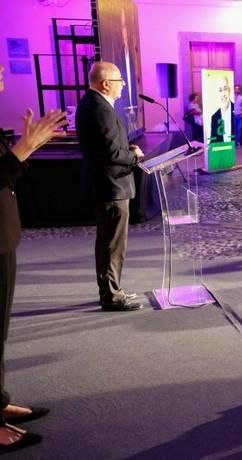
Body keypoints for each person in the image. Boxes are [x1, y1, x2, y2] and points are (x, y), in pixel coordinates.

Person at [0, 63, 67, 452]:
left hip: (2, 237)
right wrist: (23, 149)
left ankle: (1, 403)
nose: (3, 68)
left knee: (0, 333)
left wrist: (28, 148)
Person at [76, 61, 145, 312]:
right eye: (119, 81)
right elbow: (110, 152)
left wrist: (126, 151)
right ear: (106, 84)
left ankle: (110, 289)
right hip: (111, 185)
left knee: (108, 241)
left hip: (107, 184)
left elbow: (107, 146)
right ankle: (112, 295)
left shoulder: (93, 104)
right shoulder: (99, 108)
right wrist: (134, 156)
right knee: (112, 244)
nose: (123, 85)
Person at [210, 76, 232, 143]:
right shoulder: (214, 116)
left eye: (225, 89)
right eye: (220, 90)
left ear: (229, 90)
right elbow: (214, 140)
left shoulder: (235, 111)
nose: (223, 94)